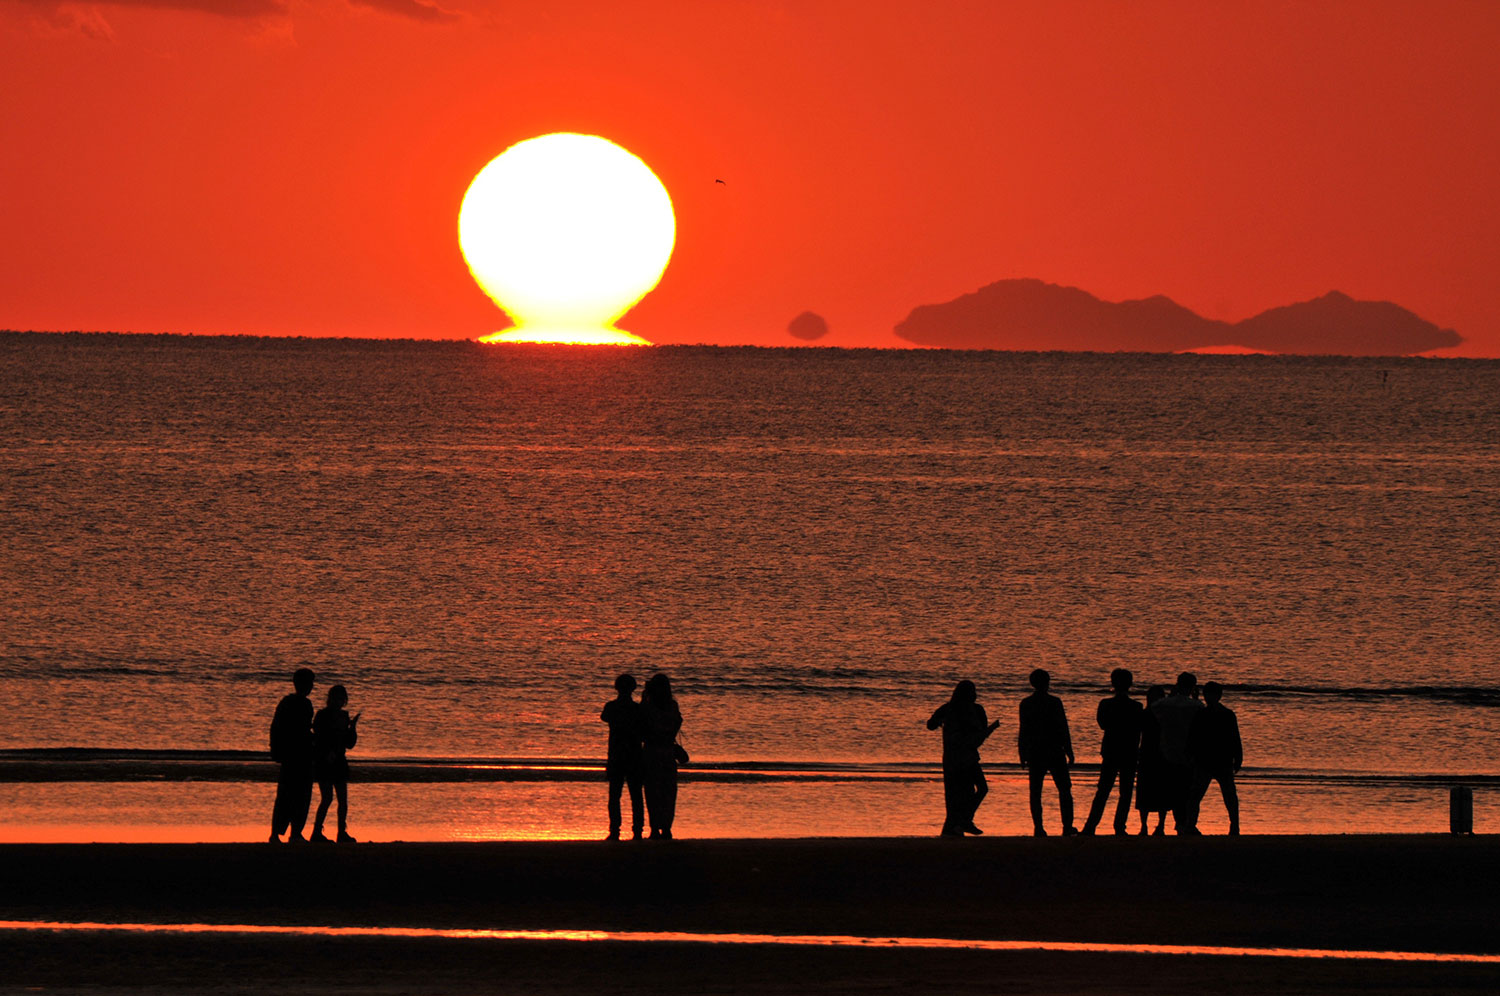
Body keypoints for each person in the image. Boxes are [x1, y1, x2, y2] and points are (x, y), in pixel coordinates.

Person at [926, 680, 1001, 836]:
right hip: (961, 758)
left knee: (963, 793)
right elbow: (931, 724)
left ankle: (960, 823)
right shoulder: (955, 709)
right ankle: (961, 823)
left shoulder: (957, 709)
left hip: (959, 758)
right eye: (972, 691)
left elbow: (931, 724)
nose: (975, 694)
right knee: (966, 792)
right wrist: (939, 721)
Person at [1081, 668, 1143, 835]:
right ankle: (1119, 827)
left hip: (1111, 751)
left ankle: (1090, 826)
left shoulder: (1106, 704)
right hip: (1129, 752)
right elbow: (1138, 730)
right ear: (1130, 684)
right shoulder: (1136, 706)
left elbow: (1103, 724)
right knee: (1125, 792)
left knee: (1103, 790)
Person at [1017, 668, 1076, 836]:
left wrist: (1022, 753)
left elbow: (1024, 731)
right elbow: (1063, 727)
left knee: (1036, 791)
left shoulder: (1026, 703)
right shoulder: (1054, 702)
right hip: (1054, 750)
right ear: (1047, 682)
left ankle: (1039, 827)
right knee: (1064, 789)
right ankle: (1067, 826)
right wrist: (1069, 750)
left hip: (1036, 751)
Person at [1151, 671, 1205, 834]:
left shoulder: (1164, 704)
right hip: (1187, 751)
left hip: (1167, 749)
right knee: (1187, 789)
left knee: (1172, 788)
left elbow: (1153, 709)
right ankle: (1184, 822)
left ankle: (1178, 822)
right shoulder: (1196, 706)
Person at [268, 666, 316, 843]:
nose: (311, 687)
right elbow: (300, 730)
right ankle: (293, 833)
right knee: (300, 795)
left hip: (292, 755)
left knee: (286, 795)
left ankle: (279, 833)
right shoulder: (302, 704)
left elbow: (275, 727)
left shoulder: (287, 703)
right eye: (309, 683)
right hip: (299, 755)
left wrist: (275, 749)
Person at [1190, 681, 1243, 835]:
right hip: (1207, 760)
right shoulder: (1202, 714)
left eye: (1212, 695)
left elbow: (1234, 738)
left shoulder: (1226, 715)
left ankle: (1234, 825)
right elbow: (1194, 737)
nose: (1209, 698)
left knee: (1228, 795)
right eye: (1208, 695)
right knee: (1197, 794)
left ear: (1218, 696)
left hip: (1220, 760)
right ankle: (1191, 824)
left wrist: (1238, 757)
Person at [311, 684, 359, 843]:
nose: (339, 701)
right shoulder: (322, 715)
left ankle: (341, 833)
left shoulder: (344, 716)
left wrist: (352, 728)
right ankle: (317, 832)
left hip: (338, 760)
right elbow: (319, 737)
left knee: (342, 800)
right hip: (325, 761)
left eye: (341, 698)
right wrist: (326, 753)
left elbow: (349, 743)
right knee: (327, 798)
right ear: (330, 699)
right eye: (336, 698)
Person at [601, 673, 646, 841]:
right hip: (634, 755)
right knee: (636, 796)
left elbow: (605, 717)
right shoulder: (637, 709)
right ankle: (638, 831)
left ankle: (615, 831)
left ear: (616, 688)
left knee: (615, 795)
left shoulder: (612, 707)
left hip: (616, 755)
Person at [640, 673, 683, 839]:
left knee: (652, 791)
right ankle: (666, 828)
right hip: (667, 751)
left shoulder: (648, 706)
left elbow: (642, 728)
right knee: (668, 791)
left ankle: (655, 829)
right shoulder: (672, 705)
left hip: (652, 751)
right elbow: (677, 723)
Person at [1134, 685, 1170, 835]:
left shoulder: (1149, 714)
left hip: (1154, 754)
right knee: (1148, 790)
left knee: (1156, 790)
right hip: (1152, 754)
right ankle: (1147, 826)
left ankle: (1158, 825)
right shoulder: (1163, 715)